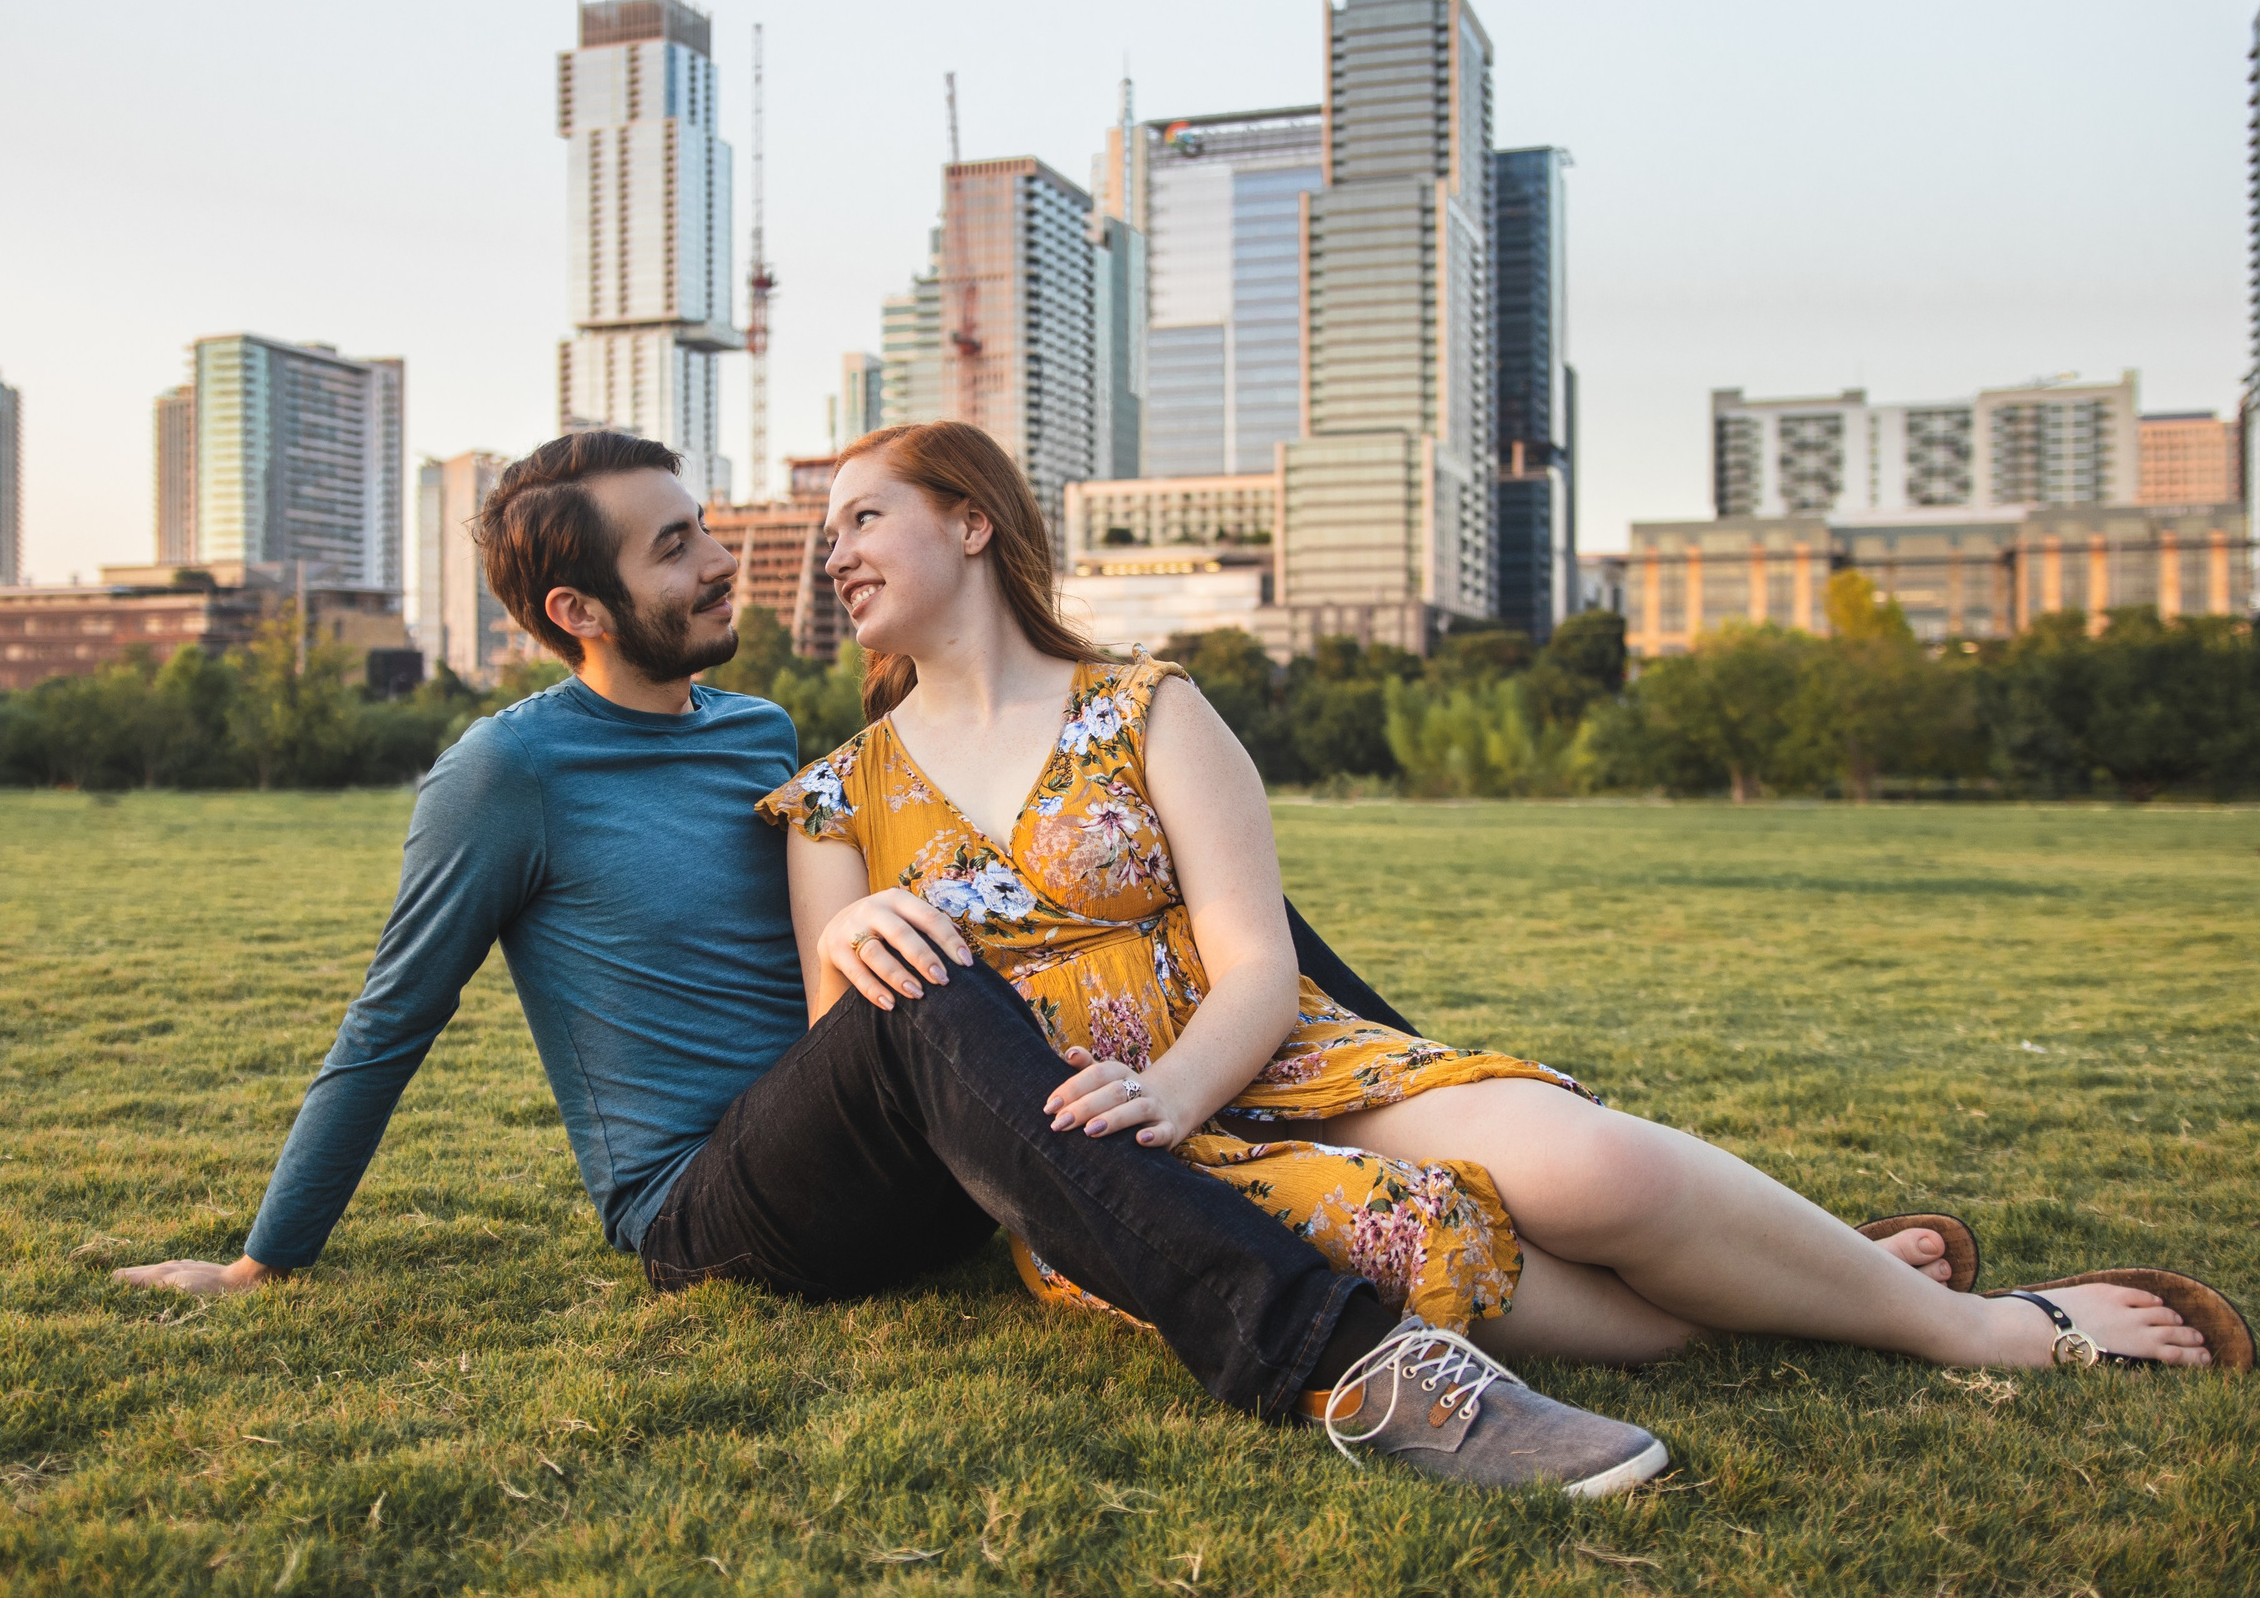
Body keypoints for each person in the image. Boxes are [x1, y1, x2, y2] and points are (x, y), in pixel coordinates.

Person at [113, 429, 1676, 1497]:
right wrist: (267, 1260)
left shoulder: (760, 735)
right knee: (909, 985)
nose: (729, 565)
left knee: (1181, 901)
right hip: (716, 1204)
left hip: (923, 1147)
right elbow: (392, 1019)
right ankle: (1344, 1368)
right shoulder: (505, 776)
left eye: (711, 530)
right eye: (679, 553)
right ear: (581, 609)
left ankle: (1444, 1101)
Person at [758, 418, 2249, 1402]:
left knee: (1604, 1175)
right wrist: (842, 937)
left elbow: (1260, 960)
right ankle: (1876, 1293)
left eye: (863, 516)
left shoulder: (1150, 708)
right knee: (1459, 1255)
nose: (835, 554)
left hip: (1261, 1055)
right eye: (826, 535)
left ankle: (1945, 1314)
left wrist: (1179, 1085)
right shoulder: (835, 798)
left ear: (970, 523)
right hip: (1098, 1162)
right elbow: (878, 1065)